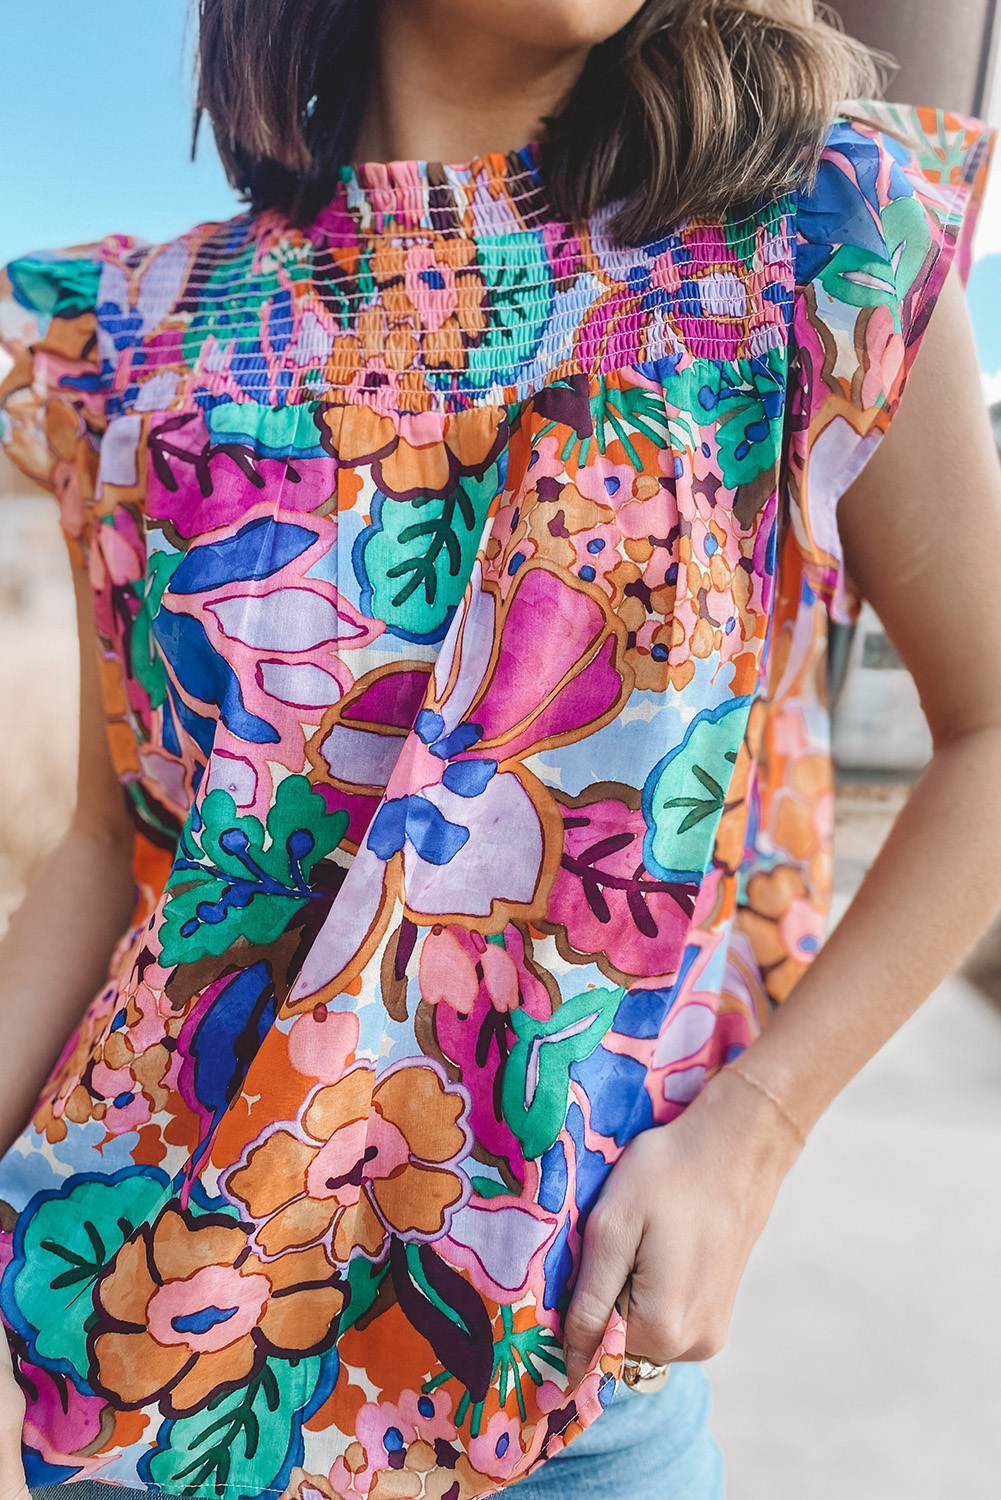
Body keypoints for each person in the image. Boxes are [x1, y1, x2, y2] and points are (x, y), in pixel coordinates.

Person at [1, 2, 999, 1497]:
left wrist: (757, 1126)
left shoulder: (806, 240)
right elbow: (113, 846)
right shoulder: (143, 337)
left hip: (546, 1398)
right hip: (139, 1354)